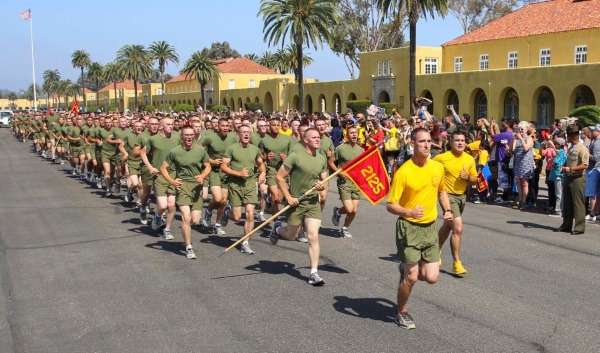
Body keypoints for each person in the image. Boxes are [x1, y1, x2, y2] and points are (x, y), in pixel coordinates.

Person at [386, 127, 453, 329]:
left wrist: (447, 209)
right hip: (409, 228)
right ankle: (401, 311)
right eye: (422, 141)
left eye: (429, 141)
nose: (427, 145)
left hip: (429, 228)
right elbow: (390, 205)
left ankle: (405, 267)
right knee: (412, 276)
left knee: (431, 277)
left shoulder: (437, 167)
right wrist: (409, 212)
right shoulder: (404, 172)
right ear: (412, 144)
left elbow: (441, 191)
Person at [269, 128, 328, 286]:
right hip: (296, 201)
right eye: (314, 137)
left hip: (312, 203)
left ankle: (314, 273)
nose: (317, 139)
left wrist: (322, 186)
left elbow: (325, 180)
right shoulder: (295, 156)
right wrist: (288, 197)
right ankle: (278, 229)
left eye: (318, 137)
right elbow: (279, 177)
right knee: (291, 236)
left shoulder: (321, 158)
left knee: (313, 236)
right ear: (306, 140)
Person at [160, 126, 211, 259]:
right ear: (182, 136)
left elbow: (208, 166)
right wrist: (172, 181)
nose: (189, 137)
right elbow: (163, 168)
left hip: (197, 186)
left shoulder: (200, 150)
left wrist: (202, 176)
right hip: (182, 185)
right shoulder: (174, 151)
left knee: (194, 220)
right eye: (186, 135)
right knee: (185, 217)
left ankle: (188, 241)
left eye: (191, 135)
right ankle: (188, 247)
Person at [433, 130, 478, 275]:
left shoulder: (469, 159)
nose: (460, 143)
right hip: (446, 195)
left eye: (462, 140)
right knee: (457, 228)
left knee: (448, 225)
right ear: (450, 142)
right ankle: (456, 263)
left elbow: (474, 180)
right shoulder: (441, 158)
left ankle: (435, 252)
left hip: (461, 197)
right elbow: (427, 169)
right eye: (457, 140)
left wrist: (467, 178)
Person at [220, 124, 266, 255]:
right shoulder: (232, 149)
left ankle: (245, 243)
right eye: (243, 132)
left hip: (250, 184)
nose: (246, 134)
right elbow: (223, 166)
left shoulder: (254, 149)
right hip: (235, 184)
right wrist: (238, 173)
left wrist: (262, 173)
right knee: (236, 217)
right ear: (238, 134)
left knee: (250, 214)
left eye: (248, 132)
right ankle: (226, 212)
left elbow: (261, 164)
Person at [202, 118, 239, 235]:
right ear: (217, 126)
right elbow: (201, 153)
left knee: (223, 201)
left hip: (227, 172)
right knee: (217, 199)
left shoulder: (233, 138)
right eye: (222, 126)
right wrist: (211, 161)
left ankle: (217, 224)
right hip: (214, 171)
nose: (225, 128)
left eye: (227, 126)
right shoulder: (209, 138)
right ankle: (208, 211)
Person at [329, 125, 364, 238]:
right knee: (349, 209)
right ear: (347, 135)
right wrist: (339, 172)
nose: (354, 134)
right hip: (344, 182)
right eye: (351, 133)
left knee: (354, 210)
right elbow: (331, 162)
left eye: (355, 133)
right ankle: (338, 212)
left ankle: (345, 228)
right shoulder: (341, 148)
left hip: (356, 183)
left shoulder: (361, 150)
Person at [555, 125, 589, 235]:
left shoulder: (582, 148)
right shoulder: (571, 147)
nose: (566, 138)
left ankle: (579, 227)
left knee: (578, 204)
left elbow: (585, 165)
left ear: (572, 136)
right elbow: (569, 160)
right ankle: (566, 225)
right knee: (567, 203)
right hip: (568, 177)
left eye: (567, 136)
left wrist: (570, 168)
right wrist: (564, 166)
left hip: (578, 178)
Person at [511, 121, 535, 210]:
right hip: (518, 162)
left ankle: (524, 201)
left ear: (526, 130)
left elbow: (526, 148)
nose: (520, 131)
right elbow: (511, 150)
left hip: (526, 162)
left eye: (522, 129)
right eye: (519, 129)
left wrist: (521, 139)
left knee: (525, 182)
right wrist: (513, 140)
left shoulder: (529, 138)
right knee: (518, 182)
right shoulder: (516, 139)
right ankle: (520, 200)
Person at [585, 124, 600, 221]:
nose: (592, 132)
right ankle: (597, 213)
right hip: (596, 169)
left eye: (594, 130)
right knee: (597, 193)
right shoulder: (596, 142)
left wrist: (586, 153)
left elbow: (596, 158)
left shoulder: (597, 143)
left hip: (594, 169)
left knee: (592, 193)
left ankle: (592, 213)